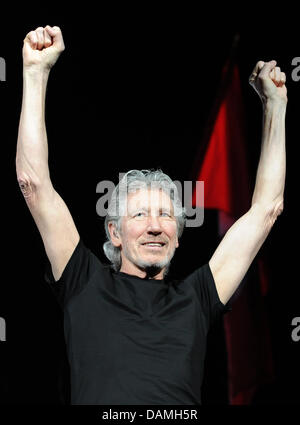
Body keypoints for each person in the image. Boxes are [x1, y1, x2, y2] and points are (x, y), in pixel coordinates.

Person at [16, 26, 287, 405]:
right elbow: (34, 184)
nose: (155, 226)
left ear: (178, 234)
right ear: (114, 232)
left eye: (165, 216)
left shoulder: (198, 297)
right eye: (140, 214)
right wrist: (35, 73)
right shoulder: (82, 281)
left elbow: (266, 210)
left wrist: (275, 107)